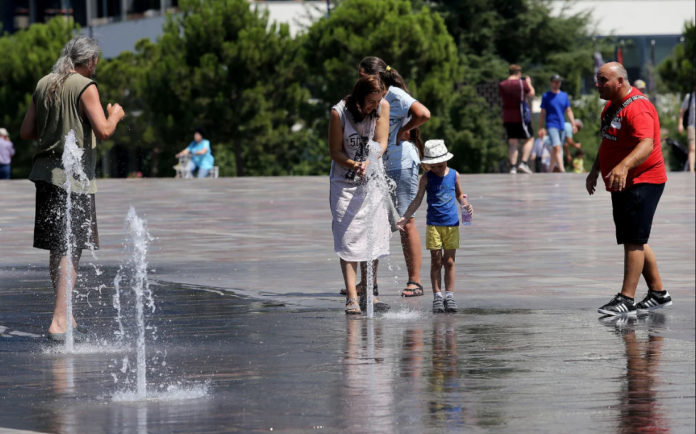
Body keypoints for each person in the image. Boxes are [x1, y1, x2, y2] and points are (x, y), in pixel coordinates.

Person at [19, 35, 125, 340]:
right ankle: (59, 322)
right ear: (90, 60)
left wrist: (55, 126)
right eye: (96, 61)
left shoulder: (44, 83)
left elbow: (26, 131)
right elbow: (104, 131)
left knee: (58, 247)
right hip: (74, 181)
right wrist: (116, 115)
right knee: (71, 248)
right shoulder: (85, 86)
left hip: (45, 176)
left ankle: (68, 317)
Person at [586, 62, 672, 316]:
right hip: (623, 181)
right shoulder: (612, 106)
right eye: (598, 80)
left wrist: (623, 166)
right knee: (634, 237)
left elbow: (646, 144)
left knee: (633, 239)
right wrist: (595, 169)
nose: (598, 85)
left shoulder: (638, 107)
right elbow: (608, 141)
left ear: (620, 81)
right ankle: (658, 293)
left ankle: (626, 299)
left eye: (603, 80)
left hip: (643, 180)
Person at [353, 57, 431, 298]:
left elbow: (423, 113)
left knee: (406, 221)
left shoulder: (395, 94)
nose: (359, 79)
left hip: (401, 163)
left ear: (375, 76)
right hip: (380, 165)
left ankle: (415, 282)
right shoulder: (369, 98)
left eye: (362, 74)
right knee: (373, 222)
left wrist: (404, 131)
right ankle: (369, 283)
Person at [329, 75, 391, 315]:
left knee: (372, 236)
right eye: (371, 101)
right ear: (359, 98)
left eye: (378, 101)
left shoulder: (382, 107)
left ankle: (368, 292)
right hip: (344, 183)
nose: (375, 106)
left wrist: (370, 160)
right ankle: (351, 297)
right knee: (348, 238)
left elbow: (381, 142)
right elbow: (335, 151)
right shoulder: (339, 113)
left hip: (372, 180)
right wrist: (354, 164)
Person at [397, 140, 474, 314]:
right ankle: (437, 296)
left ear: (446, 160)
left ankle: (450, 296)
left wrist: (465, 204)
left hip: (451, 225)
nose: (437, 169)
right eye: (433, 166)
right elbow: (417, 199)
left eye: (440, 165)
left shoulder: (454, 175)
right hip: (434, 225)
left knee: (450, 261)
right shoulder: (426, 178)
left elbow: (460, 194)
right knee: (436, 261)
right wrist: (405, 217)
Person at [499, 64, 536, 174]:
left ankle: (513, 167)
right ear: (519, 73)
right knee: (530, 138)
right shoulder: (521, 83)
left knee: (513, 142)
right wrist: (528, 83)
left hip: (507, 116)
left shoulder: (502, 84)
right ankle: (524, 163)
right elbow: (532, 94)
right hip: (520, 116)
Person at [538, 75, 578, 174]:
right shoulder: (546, 96)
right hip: (551, 124)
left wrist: (573, 124)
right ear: (551, 82)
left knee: (556, 149)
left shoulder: (564, 95)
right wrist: (540, 127)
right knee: (557, 147)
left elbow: (568, 110)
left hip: (561, 125)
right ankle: (562, 169)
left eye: (559, 81)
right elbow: (542, 112)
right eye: (555, 81)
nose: (557, 83)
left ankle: (550, 171)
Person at [678, 86, 695, 172]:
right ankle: (691, 169)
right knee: (692, 148)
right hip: (692, 126)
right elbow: (682, 111)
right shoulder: (690, 97)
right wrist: (680, 124)